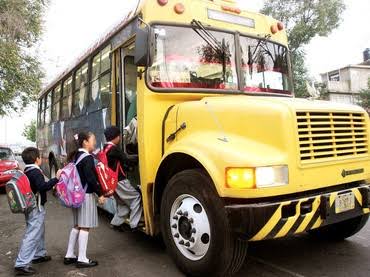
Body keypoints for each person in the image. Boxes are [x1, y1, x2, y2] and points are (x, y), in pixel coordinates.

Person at [15, 147, 62, 276]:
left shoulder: (27, 170)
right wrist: (56, 179)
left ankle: (38, 254)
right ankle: (21, 264)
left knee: (38, 230)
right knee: (32, 233)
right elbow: (42, 187)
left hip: (30, 206)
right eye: (40, 157)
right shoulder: (35, 172)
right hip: (35, 207)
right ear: (37, 159)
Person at [64, 131, 106, 268]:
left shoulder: (76, 156)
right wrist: (100, 194)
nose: (94, 142)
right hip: (85, 196)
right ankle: (82, 258)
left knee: (77, 225)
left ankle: (69, 255)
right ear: (85, 142)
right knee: (85, 227)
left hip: (75, 195)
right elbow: (91, 179)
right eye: (93, 140)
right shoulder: (87, 158)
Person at [104, 126, 142, 231]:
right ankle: (135, 224)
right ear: (115, 137)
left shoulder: (105, 148)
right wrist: (140, 156)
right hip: (119, 181)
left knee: (123, 204)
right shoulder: (114, 149)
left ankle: (116, 223)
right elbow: (126, 159)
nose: (120, 138)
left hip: (111, 182)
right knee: (136, 198)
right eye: (119, 136)